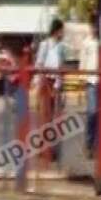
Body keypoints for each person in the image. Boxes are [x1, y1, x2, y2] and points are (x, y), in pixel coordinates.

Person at [35, 18, 67, 166]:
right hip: (45, 80)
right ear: (57, 30)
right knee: (45, 116)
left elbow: (61, 66)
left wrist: (58, 85)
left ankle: (49, 149)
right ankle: (43, 148)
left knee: (53, 117)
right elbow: (39, 64)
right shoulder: (45, 45)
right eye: (61, 30)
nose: (63, 33)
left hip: (55, 81)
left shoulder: (61, 47)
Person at [79, 15, 99, 159]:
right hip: (91, 81)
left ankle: (97, 146)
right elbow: (83, 61)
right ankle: (89, 144)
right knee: (92, 113)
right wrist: (82, 78)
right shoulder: (87, 43)